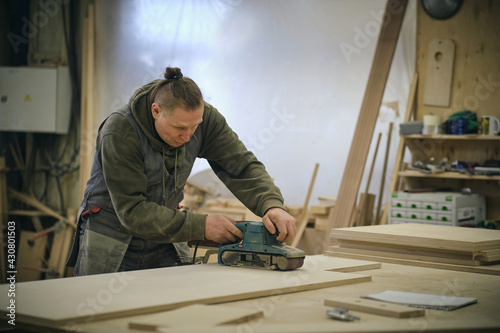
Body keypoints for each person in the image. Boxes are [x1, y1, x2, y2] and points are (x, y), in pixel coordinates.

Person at [67, 66, 296, 276]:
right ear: (156, 111)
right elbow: (132, 212)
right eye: (179, 128)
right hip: (112, 236)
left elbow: (240, 166)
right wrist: (202, 226)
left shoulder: (203, 119)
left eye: (194, 127)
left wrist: (271, 204)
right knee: (102, 312)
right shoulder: (120, 132)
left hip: (165, 233)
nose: (188, 137)